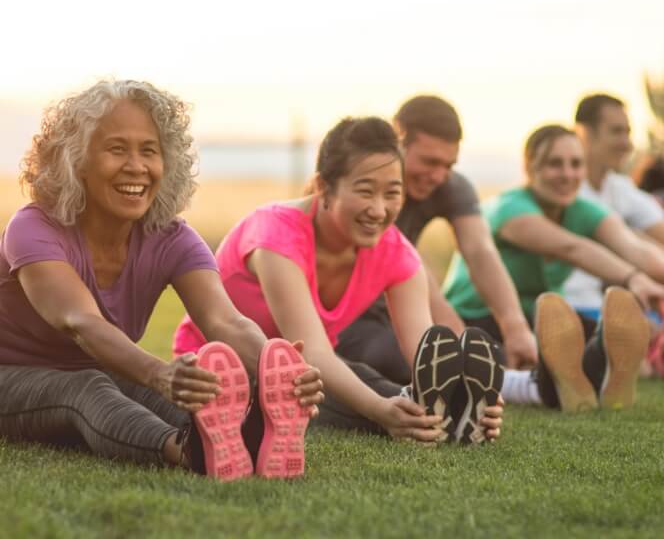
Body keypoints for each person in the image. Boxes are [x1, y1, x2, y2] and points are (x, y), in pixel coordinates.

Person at [0, 79, 324, 481]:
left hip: (104, 366)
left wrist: (279, 369)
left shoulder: (172, 238)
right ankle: (186, 451)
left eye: (149, 151)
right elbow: (79, 322)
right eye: (117, 149)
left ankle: (245, 435)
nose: (137, 166)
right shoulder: (33, 227)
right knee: (87, 388)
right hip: (9, 374)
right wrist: (159, 373)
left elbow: (224, 321)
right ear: (76, 159)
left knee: (192, 391)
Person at [174, 117, 504, 445]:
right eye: (365, 191)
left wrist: (459, 390)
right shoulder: (276, 236)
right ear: (323, 187)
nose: (379, 209)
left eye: (392, 193)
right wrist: (381, 409)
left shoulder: (396, 252)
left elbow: (424, 353)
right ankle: (430, 418)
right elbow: (313, 353)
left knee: (363, 381)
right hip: (220, 369)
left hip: (308, 374)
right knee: (335, 390)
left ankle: (451, 416)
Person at [444, 124, 661, 411]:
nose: (567, 175)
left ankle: (592, 375)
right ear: (529, 165)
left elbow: (634, 248)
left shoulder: (583, 209)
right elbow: (571, 248)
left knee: (593, 333)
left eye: (576, 164)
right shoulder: (509, 209)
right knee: (491, 353)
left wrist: (651, 282)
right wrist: (634, 278)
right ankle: (564, 380)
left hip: (545, 321)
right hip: (481, 317)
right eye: (554, 164)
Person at [335, 96, 536, 384]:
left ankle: (537, 381)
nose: (439, 175)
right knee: (396, 356)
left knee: (491, 352)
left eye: (448, 165)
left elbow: (480, 251)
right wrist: (458, 342)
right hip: (351, 318)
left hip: (403, 313)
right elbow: (413, 268)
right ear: (398, 142)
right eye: (430, 161)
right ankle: (511, 385)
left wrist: (515, 327)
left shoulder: (451, 186)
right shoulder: (367, 187)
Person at [563, 93, 664, 316]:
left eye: (628, 133)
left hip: (617, 305)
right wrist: (637, 238)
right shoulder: (564, 191)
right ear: (584, 133)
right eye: (617, 132)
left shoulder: (619, 187)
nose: (627, 143)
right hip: (573, 307)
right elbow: (634, 252)